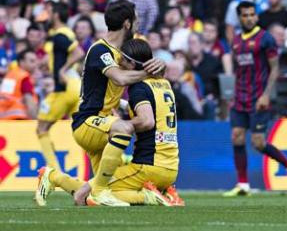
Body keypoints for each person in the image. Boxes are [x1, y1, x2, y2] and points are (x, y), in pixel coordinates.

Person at [37, 38, 184, 207]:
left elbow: (146, 120)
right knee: (101, 186)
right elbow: (151, 112)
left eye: (123, 58)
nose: (118, 60)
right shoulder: (164, 84)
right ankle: (156, 194)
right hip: (170, 166)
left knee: (97, 190)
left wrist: (123, 125)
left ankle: (151, 196)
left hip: (148, 164)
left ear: (132, 63)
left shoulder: (138, 87)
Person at [69, 0, 166, 206]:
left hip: (104, 123)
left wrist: (160, 65)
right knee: (123, 128)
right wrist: (148, 72)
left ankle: (55, 180)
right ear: (127, 24)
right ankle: (101, 191)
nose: (138, 25)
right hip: (87, 122)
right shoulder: (100, 50)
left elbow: (149, 67)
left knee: (112, 184)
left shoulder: (127, 48)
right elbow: (120, 78)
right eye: (136, 21)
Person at [223, 2, 287, 197]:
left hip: (259, 97)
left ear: (256, 16)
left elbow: (275, 67)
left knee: (258, 142)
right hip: (240, 97)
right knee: (237, 136)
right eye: (245, 15)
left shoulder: (266, 39)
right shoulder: (236, 40)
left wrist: (266, 94)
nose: (249, 18)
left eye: (252, 14)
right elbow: (240, 68)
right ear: (239, 18)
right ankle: (243, 184)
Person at [35, 3, 85, 171]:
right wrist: (48, 63)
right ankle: (121, 160)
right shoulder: (63, 34)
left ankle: (55, 173)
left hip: (64, 87)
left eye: (48, 12)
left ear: (56, 15)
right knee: (83, 133)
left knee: (42, 128)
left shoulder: (60, 35)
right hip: (74, 86)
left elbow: (78, 52)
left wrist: (62, 69)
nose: (46, 15)